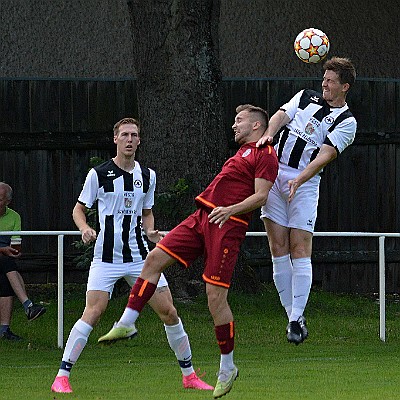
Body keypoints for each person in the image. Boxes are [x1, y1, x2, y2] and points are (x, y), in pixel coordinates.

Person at [99, 106, 278, 399]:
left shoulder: (265, 154)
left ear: (257, 125)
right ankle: (127, 323)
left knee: (214, 297)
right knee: (154, 258)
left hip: (227, 223)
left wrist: (230, 210)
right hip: (202, 217)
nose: (233, 125)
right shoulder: (243, 151)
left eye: (239, 120)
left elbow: (261, 196)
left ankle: (227, 367)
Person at [51, 117, 213, 393]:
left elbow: (147, 212)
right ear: (115, 139)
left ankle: (189, 375)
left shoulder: (148, 176)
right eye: (124, 134)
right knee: (94, 312)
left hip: (141, 258)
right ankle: (62, 376)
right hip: (106, 257)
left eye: (134, 135)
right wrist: (85, 228)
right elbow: (78, 208)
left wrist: (151, 231)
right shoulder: (99, 174)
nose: (129, 139)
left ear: (139, 140)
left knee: (169, 312)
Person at [256, 57, 357, 345]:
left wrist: (299, 179)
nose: (324, 84)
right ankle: (294, 319)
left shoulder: (347, 121)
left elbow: (326, 154)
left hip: (305, 183)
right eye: (324, 78)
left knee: (299, 247)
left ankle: (295, 315)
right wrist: (268, 136)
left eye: (331, 81)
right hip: (274, 175)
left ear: (344, 87)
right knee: (278, 246)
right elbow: (279, 116)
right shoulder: (305, 96)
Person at [0, 182, 47, 341]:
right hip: (3, 258)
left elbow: (16, 246)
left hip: (3, 261)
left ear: (7, 202)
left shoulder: (14, 217)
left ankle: (4, 331)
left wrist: (13, 251)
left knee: (6, 271)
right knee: (7, 263)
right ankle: (28, 305)